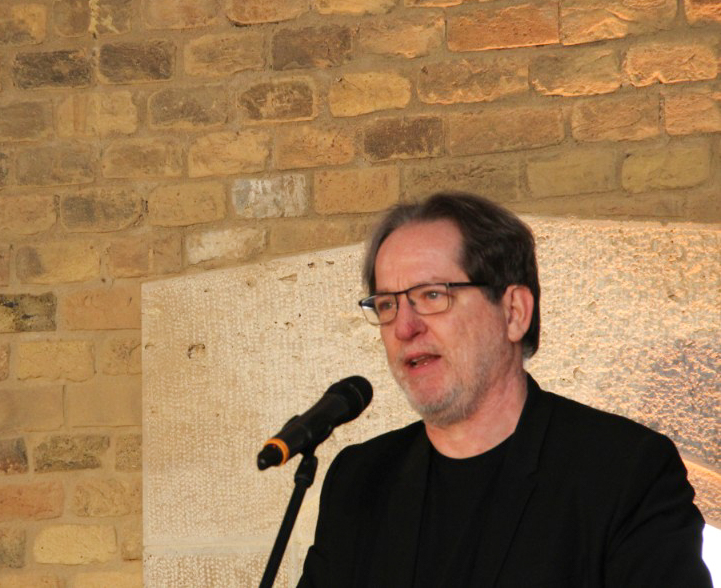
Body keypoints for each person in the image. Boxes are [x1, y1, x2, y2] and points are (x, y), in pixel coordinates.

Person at [298, 191, 712, 587]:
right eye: (388, 304)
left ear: (514, 312)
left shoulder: (623, 471)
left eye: (432, 295)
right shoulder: (360, 480)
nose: (405, 328)